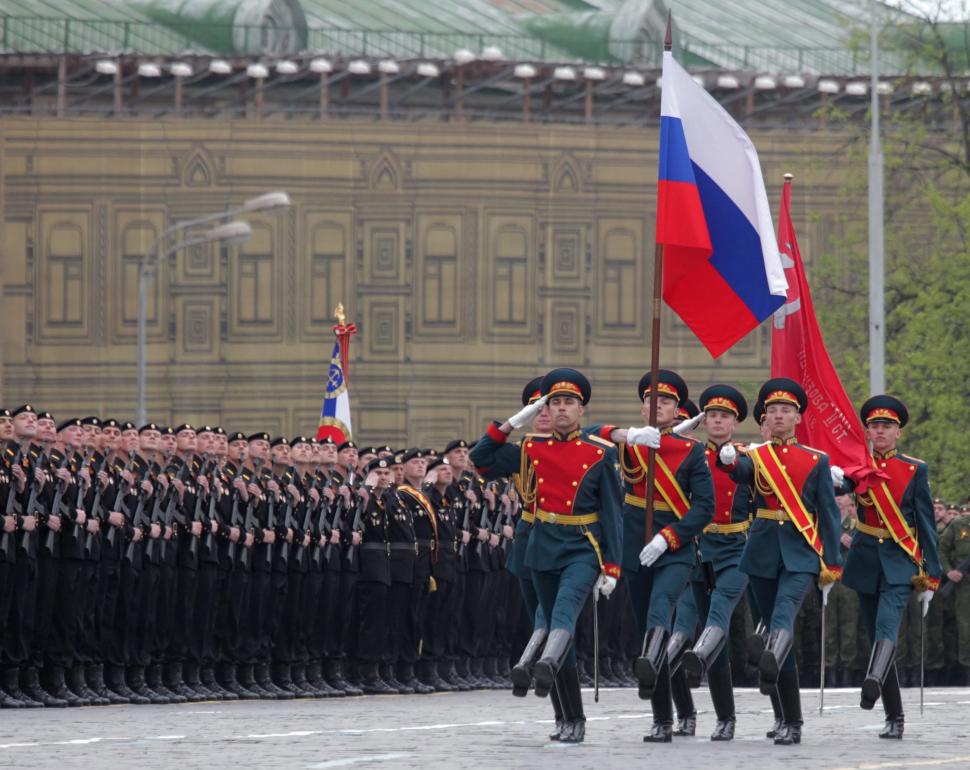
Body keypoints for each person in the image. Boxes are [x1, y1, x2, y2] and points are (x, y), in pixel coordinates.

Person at [470, 367, 623, 744]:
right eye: (554, 403)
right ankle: (567, 716)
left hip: (582, 545)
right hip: (539, 545)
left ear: (581, 410)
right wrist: (511, 423)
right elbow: (481, 459)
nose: (560, 409)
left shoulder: (599, 453)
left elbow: (613, 513)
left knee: (563, 614)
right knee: (554, 624)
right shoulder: (530, 449)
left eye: (568, 402)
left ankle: (542, 665)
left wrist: (613, 565)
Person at [718, 378, 843, 746]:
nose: (778, 416)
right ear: (765, 418)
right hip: (761, 551)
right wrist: (728, 458)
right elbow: (741, 473)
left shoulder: (816, 460)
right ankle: (784, 715)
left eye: (785, 411)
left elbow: (829, 514)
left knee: (782, 618)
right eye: (772, 411)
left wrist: (832, 562)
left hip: (801, 552)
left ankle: (795, 721)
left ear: (797, 417)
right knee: (774, 632)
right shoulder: (755, 457)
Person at [841, 395, 942, 739]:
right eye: (875, 426)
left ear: (898, 432)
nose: (880, 431)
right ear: (868, 432)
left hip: (901, 561)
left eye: (887, 426)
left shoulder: (915, 469)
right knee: (875, 637)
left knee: (887, 627)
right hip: (866, 558)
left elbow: (926, 524)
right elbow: (838, 487)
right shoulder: (857, 466)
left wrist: (932, 576)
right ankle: (894, 715)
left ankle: (872, 680)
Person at [680, 384, 753, 741]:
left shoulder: (747, 458)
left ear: (734, 423)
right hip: (699, 546)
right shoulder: (691, 456)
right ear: (703, 421)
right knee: (713, 633)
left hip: (736, 547)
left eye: (724, 416)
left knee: (719, 612)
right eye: (711, 416)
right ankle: (724, 716)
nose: (718, 421)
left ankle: (722, 711)